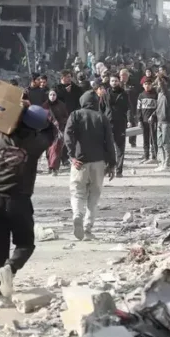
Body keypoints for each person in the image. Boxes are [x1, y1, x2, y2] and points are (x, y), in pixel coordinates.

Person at [0, 105, 56, 306]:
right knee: (25, 244)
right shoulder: (36, 142)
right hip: (18, 200)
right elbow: (52, 132)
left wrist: (7, 114)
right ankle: (11, 267)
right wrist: (38, 115)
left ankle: (2, 297)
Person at [64, 92, 116, 240]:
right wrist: (112, 164)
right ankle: (87, 228)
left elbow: (68, 135)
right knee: (94, 196)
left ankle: (77, 215)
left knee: (77, 192)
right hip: (99, 163)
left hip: (80, 162)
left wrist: (72, 156)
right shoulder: (102, 117)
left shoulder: (75, 115)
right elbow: (109, 142)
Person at [105, 74, 130, 177]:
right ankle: (109, 168)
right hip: (108, 122)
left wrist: (129, 119)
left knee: (120, 147)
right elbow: (101, 107)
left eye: (116, 81)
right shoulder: (106, 93)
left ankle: (119, 170)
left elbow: (128, 107)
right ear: (109, 82)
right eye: (112, 81)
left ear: (119, 82)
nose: (114, 83)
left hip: (120, 122)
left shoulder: (124, 93)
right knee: (107, 147)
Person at [155, 76, 170, 171]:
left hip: (167, 121)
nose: (159, 84)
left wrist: (160, 78)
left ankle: (167, 164)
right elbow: (158, 108)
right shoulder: (159, 94)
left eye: (161, 82)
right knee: (159, 143)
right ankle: (162, 163)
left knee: (165, 142)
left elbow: (164, 88)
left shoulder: (168, 93)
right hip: (159, 121)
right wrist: (153, 115)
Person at [137, 79, 159, 163]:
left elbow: (158, 108)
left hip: (153, 121)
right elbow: (138, 109)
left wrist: (153, 116)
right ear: (143, 85)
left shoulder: (155, 95)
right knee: (145, 138)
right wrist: (139, 120)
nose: (147, 86)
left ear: (151, 85)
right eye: (145, 84)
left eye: (149, 84)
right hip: (144, 121)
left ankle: (154, 156)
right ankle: (146, 156)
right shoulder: (141, 96)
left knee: (153, 138)